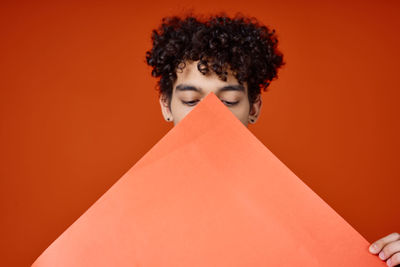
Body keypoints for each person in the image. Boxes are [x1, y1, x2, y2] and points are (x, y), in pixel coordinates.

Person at [145, 13, 399, 266]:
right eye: (190, 100)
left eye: (229, 101)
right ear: (166, 106)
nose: (209, 114)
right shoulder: (129, 213)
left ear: (253, 108)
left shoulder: (300, 215)